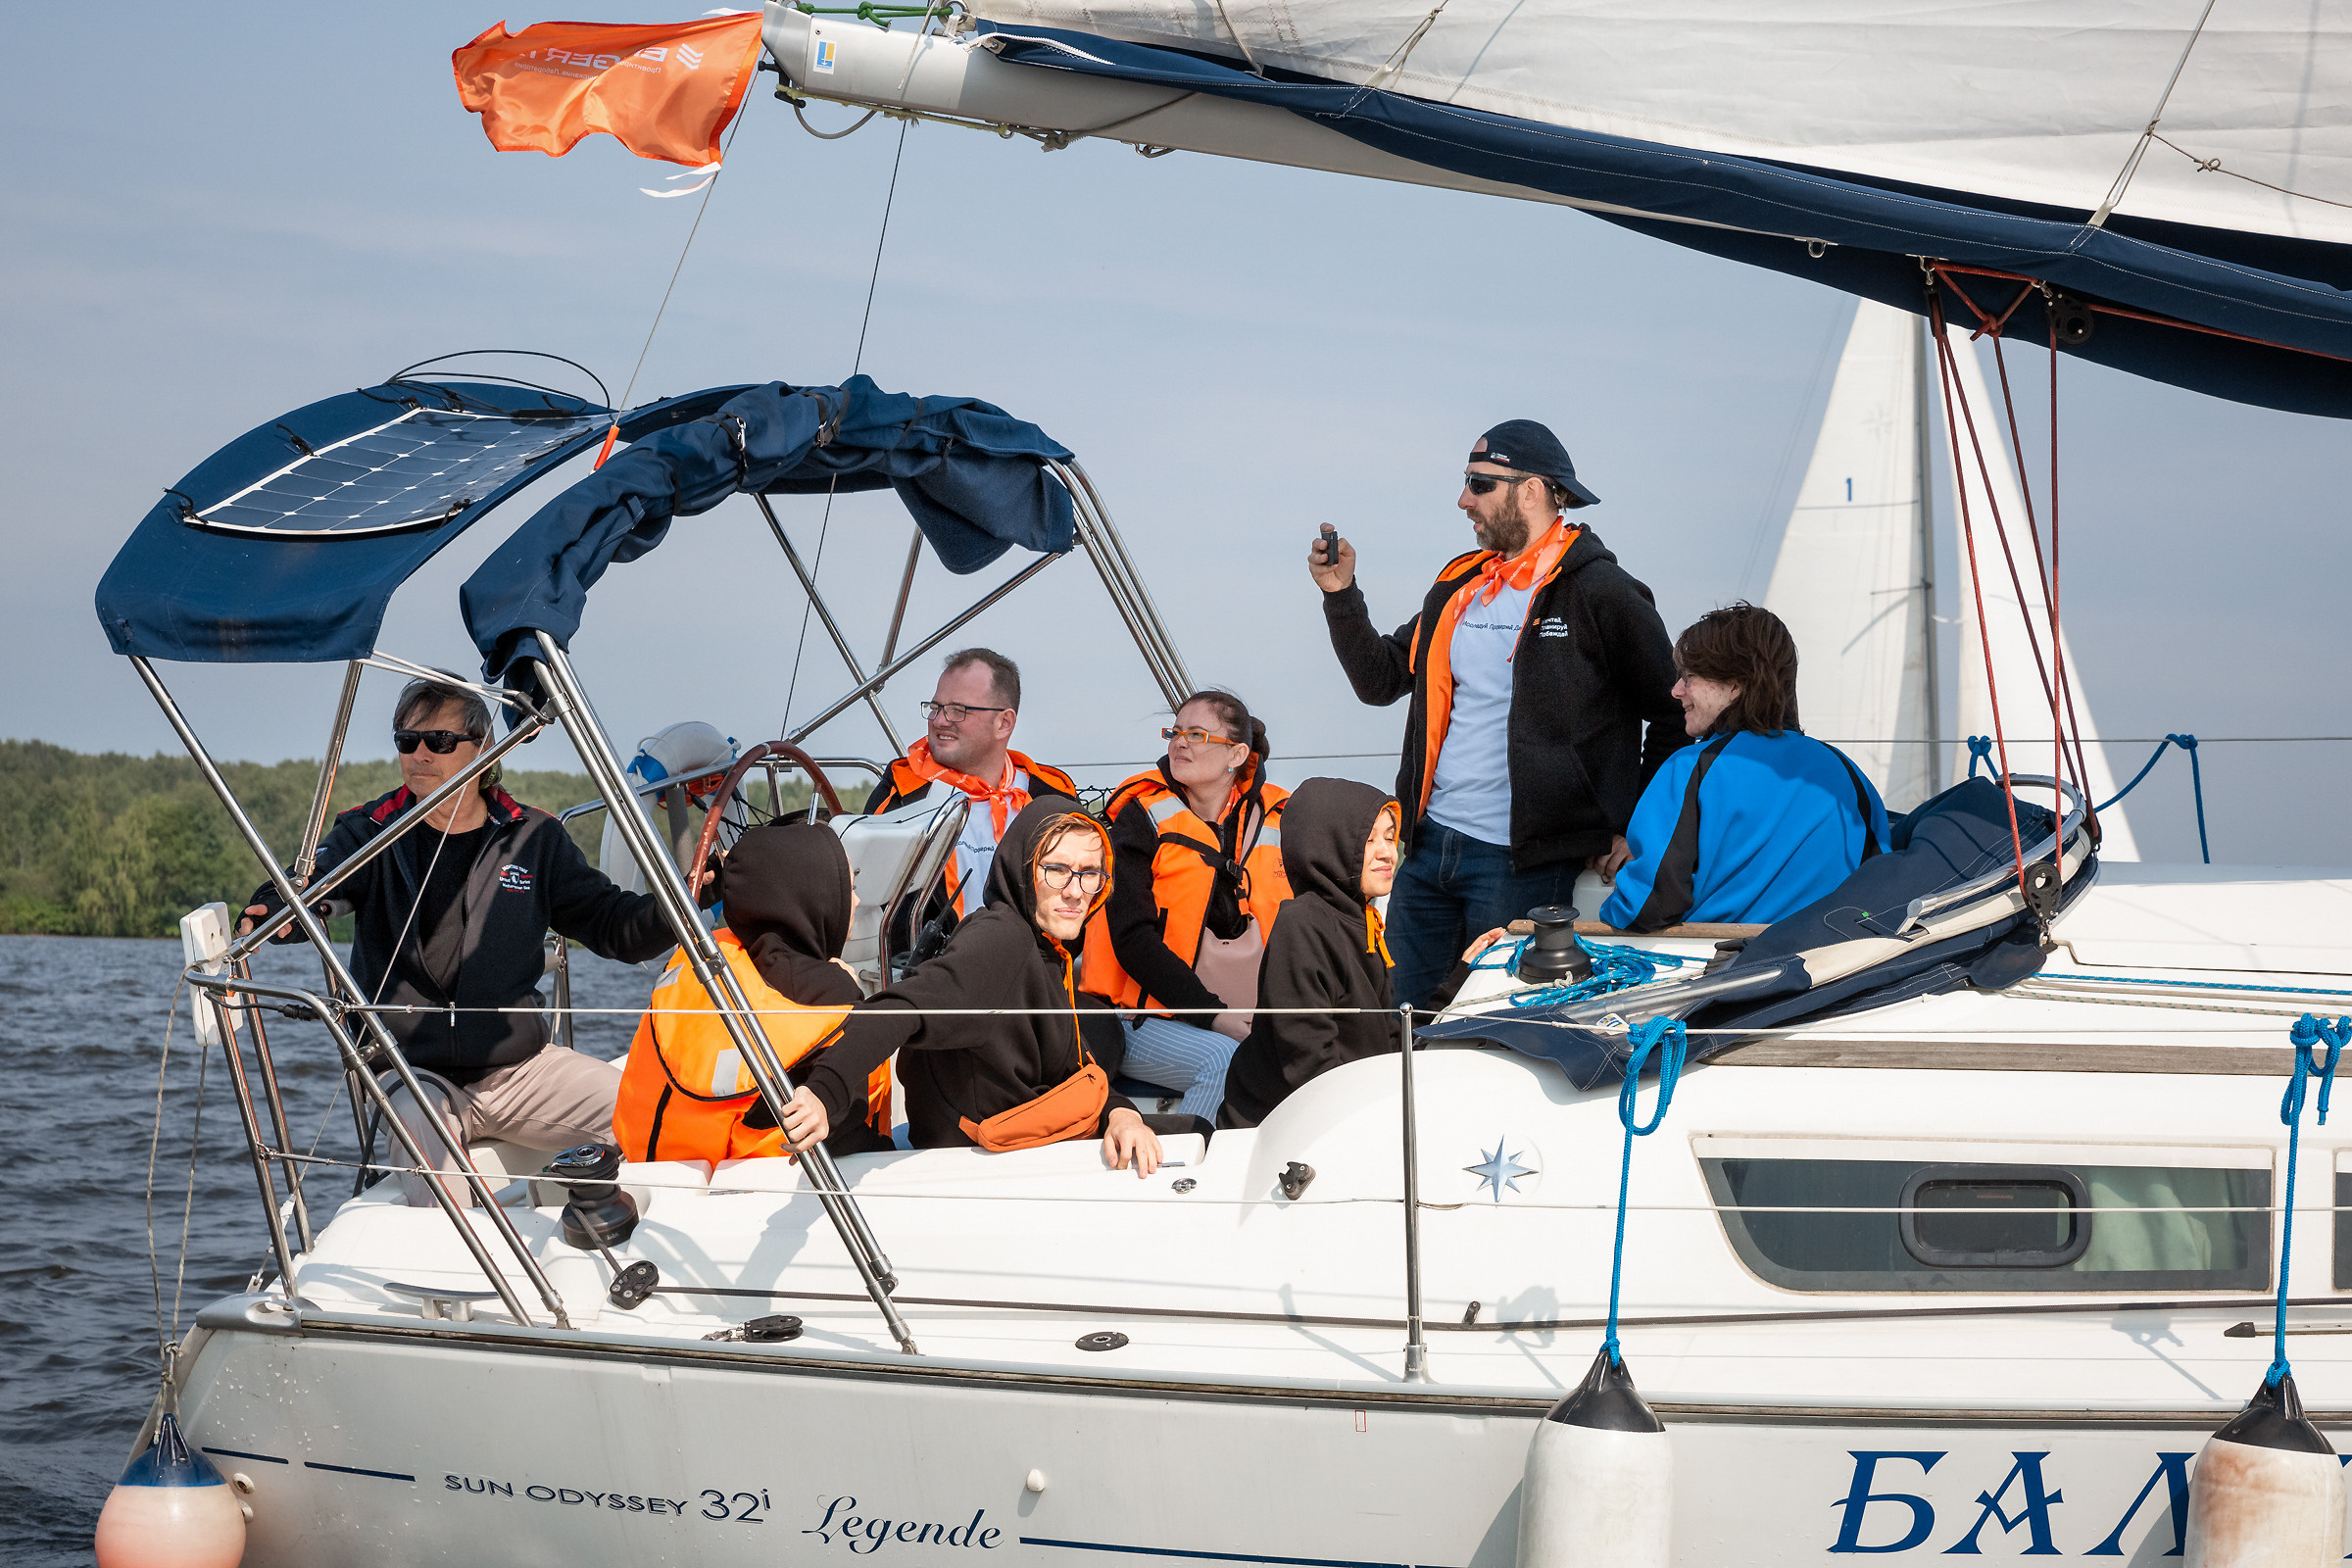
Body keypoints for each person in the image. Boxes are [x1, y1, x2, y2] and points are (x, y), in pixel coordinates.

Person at [238, 674, 685, 1205]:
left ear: (484, 749)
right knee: (432, 1165)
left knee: (664, 1118)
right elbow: (317, 882)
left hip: (520, 1070)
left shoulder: (533, 837)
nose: (420, 754)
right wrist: (277, 906)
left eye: (440, 742)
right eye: (407, 741)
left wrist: (684, 900)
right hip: (414, 1073)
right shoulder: (369, 831)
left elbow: (616, 927)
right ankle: (469, 1283)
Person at [1313, 419, 1683, 1007]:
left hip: (1525, 864)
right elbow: (1380, 681)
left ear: (1532, 490)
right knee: (1408, 1026)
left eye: (1480, 484)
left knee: (1490, 1025)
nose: (1464, 499)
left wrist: (1633, 827)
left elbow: (1674, 715)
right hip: (1428, 847)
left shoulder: (1603, 592)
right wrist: (1341, 594)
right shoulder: (1459, 585)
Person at [782, 797, 1165, 1174]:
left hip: (1030, 1142)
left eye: (1090, 873)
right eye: (1057, 869)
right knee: (1199, 1137)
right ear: (1023, 869)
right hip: (981, 1166)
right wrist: (822, 1094)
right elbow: (901, 1009)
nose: (1075, 890)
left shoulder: (1048, 952)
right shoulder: (1001, 940)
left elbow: (1076, 1069)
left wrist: (1122, 1115)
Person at [1598, 603, 1889, 932]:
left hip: (1721, 969)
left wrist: (1605, 916)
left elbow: (1648, 907)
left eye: (1689, 677)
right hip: (1827, 963)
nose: (1676, 691)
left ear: (1736, 684)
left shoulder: (1691, 769)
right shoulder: (1846, 773)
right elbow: (1879, 884)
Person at [612, 823, 891, 1164]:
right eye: (848, 887)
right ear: (814, 898)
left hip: (653, 1155)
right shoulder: (832, 995)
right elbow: (846, 1131)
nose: (857, 900)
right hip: (762, 1178)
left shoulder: (704, 957)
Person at [1082, 690, 1291, 1121]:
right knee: (1224, 1060)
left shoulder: (1280, 819)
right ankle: (1181, 1178)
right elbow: (1131, 937)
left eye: (1196, 734)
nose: (1180, 743)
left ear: (1237, 753)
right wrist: (1214, 1015)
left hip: (1246, 1014)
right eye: (1175, 732)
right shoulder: (1140, 817)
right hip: (1136, 1019)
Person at [1217, 778, 1401, 1130]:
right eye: (1368, 838)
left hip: (1351, 1111)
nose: (1386, 852)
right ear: (1330, 843)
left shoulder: (1363, 923)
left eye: (1389, 837)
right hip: (1283, 1131)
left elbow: (1389, 1042)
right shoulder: (1302, 924)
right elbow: (1309, 1062)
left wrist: (1463, 974)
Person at [862, 647, 1079, 933]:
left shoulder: (1051, 798)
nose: (939, 720)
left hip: (1032, 972)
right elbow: (865, 904)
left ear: (1004, 723)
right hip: (932, 974)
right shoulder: (900, 795)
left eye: (957, 710)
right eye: (936, 707)